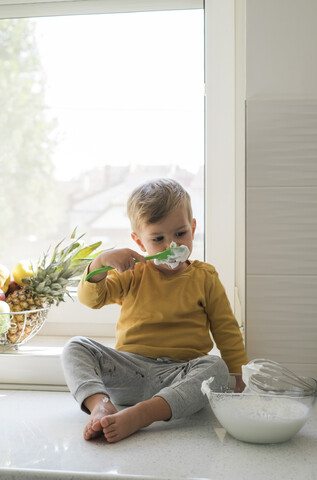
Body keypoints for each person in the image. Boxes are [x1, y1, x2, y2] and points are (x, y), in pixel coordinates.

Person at [62, 178, 248, 443]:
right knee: (75, 346)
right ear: (139, 242)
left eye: (180, 234)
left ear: (193, 229)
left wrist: (238, 375)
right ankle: (100, 405)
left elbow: (226, 328)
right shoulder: (132, 272)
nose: (170, 245)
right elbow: (92, 299)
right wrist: (100, 263)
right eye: (158, 238)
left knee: (216, 368)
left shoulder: (205, 277)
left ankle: (142, 415)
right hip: (129, 372)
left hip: (180, 376)